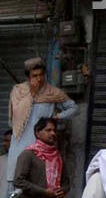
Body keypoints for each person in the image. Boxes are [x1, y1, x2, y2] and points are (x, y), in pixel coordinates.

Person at [5, 56, 77, 189]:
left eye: (41, 75)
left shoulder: (52, 92)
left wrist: (58, 116)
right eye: (35, 75)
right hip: (19, 146)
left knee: (38, 184)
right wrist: (31, 94)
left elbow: (73, 108)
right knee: (15, 186)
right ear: (28, 77)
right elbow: (12, 121)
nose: (39, 78)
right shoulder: (18, 91)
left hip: (42, 150)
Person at [13, 116, 69, 198]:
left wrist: (62, 191)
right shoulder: (28, 154)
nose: (53, 133)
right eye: (48, 130)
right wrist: (44, 192)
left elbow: (66, 182)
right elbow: (19, 181)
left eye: (54, 130)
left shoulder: (58, 156)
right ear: (38, 133)